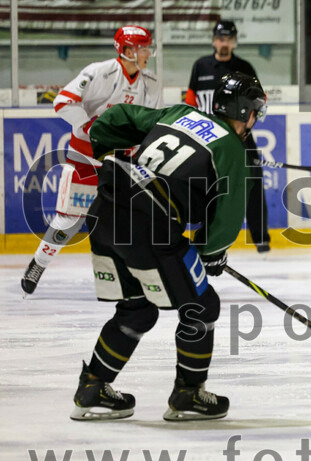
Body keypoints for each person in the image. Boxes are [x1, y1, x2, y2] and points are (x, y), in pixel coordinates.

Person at [70, 72, 267, 422]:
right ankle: (188, 394)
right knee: (201, 306)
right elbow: (226, 215)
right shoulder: (232, 149)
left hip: (105, 214)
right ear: (248, 111)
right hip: (151, 229)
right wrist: (211, 253)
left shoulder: (179, 113)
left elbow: (117, 117)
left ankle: (92, 387)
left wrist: (103, 142)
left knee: (137, 310)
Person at [21, 26, 162, 296]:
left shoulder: (151, 82)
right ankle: (39, 263)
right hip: (85, 157)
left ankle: (131, 278)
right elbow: (62, 102)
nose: (147, 53)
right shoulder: (98, 72)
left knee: (128, 223)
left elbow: (152, 123)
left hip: (123, 162)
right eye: (143, 47)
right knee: (69, 220)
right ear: (127, 50)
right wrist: (91, 127)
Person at [186, 20, 271, 254]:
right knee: (209, 188)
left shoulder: (244, 67)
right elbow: (191, 101)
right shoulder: (200, 66)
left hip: (242, 136)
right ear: (214, 40)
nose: (224, 43)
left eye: (229, 39)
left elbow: (260, 100)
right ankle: (207, 238)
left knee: (252, 184)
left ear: (234, 41)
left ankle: (261, 238)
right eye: (221, 39)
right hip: (209, 137)